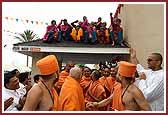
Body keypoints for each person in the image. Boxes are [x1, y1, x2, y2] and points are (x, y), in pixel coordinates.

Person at [86, 61, 151, 111]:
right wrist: (97, 105)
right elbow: (109, 100)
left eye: (117, 73)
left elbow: (148, 110)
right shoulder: (118, 87)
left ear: (121, 76)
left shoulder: (134, 91)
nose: (114, 75)